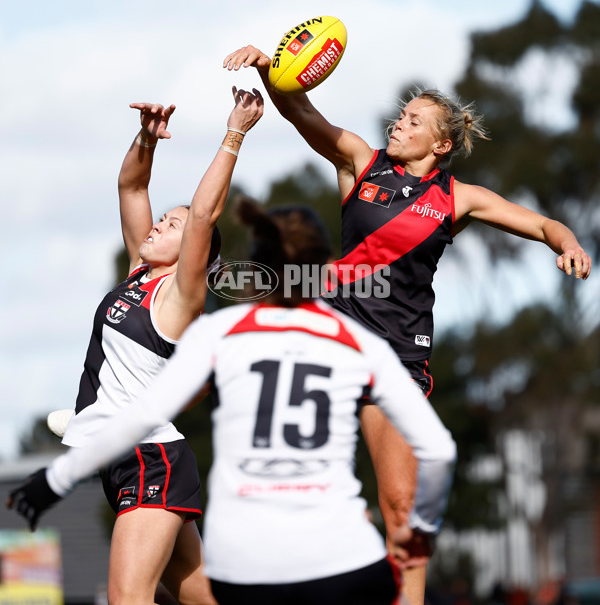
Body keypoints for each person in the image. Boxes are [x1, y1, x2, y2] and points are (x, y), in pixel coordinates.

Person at [221, 44, 593, 605]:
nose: (399, 123)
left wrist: (569, 245)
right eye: (401, 114)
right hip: (333, 343)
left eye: (413, 120)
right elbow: (299, 110)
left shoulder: (457, 199)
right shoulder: (360, 163)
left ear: (440, 144)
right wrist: (271, 67)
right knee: (290, 487)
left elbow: (544, 224)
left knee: (401, 511)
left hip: (395, 359)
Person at [8, 199, 457, 605]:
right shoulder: (361, 344)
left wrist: (55, 478)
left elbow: (141, 414)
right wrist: (423, 528)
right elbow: (439, 451)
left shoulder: (221, 334)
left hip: (245, 554)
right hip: (344, 554)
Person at [9, 86, 264, 605]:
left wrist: (234, 132)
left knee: (128, 599)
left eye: (170, 225)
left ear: (195, 256)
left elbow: (201, 217)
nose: (159, 225)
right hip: (123, 458)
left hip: (151, 459)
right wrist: (146, 139)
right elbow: (130, 186)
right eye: (162, 219)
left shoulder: (179, 293)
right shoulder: (137, 275)